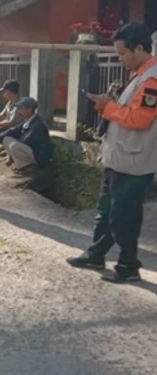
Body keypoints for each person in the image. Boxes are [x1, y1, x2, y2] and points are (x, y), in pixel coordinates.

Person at [67, 22, 157, 283]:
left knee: (123, 216)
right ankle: (96, 254)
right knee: (106, 210)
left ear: (139, 48)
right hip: (120, 156)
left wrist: (110, 108)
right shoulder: (140, 73)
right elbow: (127, 111)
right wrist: (107, 107)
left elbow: (140, 119)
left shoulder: (152, 79)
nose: (119, 59)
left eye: (121, 53)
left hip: (135, 160)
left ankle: (128, 266)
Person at [0, 97, 53, 173]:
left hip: (39, 156)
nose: (19, 111)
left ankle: (29, 165)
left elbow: (26, 141)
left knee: (14, 145)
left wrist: (10, 155)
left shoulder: (38, 124)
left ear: (29, 109)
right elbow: (12, 131)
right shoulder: (27, 121)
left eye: (21, 108)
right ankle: (21, 165)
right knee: (6, 139)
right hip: (31, 151)